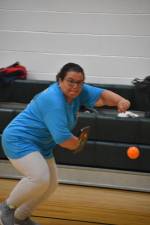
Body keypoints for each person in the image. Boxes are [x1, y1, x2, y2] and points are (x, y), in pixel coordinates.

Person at [0, 62, 130, 225]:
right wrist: (79, 144)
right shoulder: (53, 100)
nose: (75, 86)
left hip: (42, 144)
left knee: (50, 185)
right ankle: (6, 208)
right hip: (19, 139)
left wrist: (120, 101)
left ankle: (20, 217)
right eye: (70, 81)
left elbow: (103, 96)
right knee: (39, 178)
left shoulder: (78, 92)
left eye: (79, 82)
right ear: (59, 80)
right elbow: (63, 140)